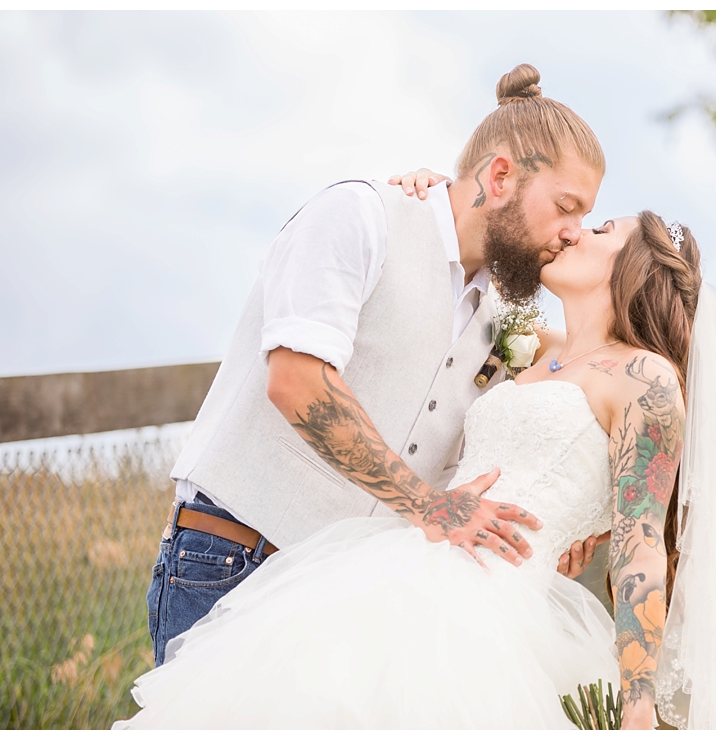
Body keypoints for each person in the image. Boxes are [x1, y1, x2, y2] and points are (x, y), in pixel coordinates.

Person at [115, 211, 716, 730]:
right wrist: (425, 190)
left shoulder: (644, 378)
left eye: (602, 228)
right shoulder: (528, 345)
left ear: (634, 267)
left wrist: (637, 701)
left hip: (496, 618)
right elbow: (463, 253)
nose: (574, 231)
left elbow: (642, 539)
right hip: (396, 567)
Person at [147, 64, 608, 667]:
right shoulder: (359, 217)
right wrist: (429, 507)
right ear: (499, 177)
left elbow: (581, 379)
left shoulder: (504, 315)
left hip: (358, 601)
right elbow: (297, 380)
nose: (572, 234)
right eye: (565, 207)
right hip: (238, 563)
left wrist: (565, 522)